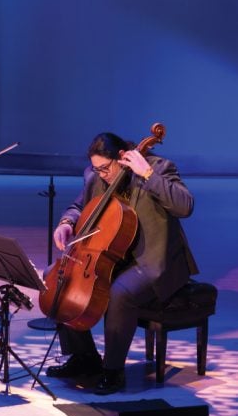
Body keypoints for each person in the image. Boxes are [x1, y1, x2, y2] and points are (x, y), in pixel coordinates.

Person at [45, 132, 198, 395]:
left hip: (153, 260)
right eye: (96, 169)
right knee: (58, 277)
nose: (101, 174)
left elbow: (185, 206)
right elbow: (77, 206)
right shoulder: (95, 176)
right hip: (116, 257)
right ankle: (84, 357)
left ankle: (113, 370)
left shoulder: (159, 168)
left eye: (105, 168)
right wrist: (66, 223)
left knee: (119, 293)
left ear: (120, 158)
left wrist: (148, 174)